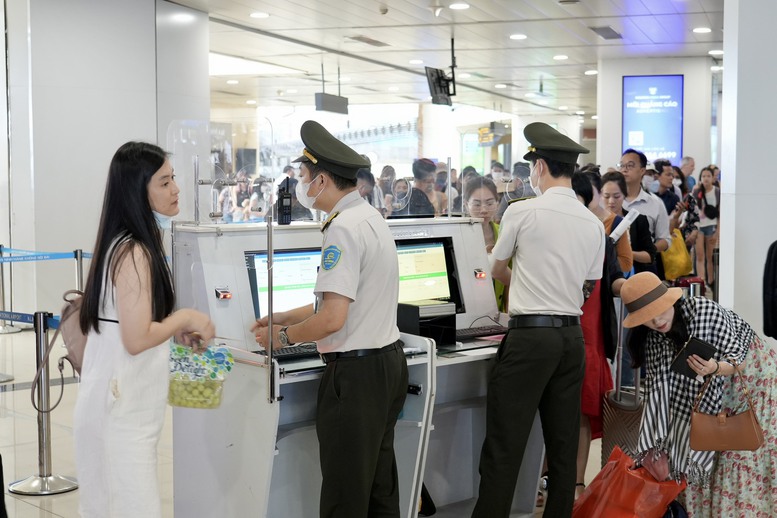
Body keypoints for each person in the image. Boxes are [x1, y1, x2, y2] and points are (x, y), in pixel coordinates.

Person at [252, 120, 408, 518]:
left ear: (321, 180)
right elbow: (343, 299)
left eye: (303, 176)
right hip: (387, 365)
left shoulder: (341, 230)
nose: (300, 184)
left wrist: (282, 337)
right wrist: (285, 314)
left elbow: (332, 319)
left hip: (355, 380)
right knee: (379, 489)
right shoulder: (370, 218)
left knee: (345, 498)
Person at [73, 141, 216, 518]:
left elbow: (136, 325)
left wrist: (169, 329)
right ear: (139, 192)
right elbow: (135, 340)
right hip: (119, 414)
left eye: (174, 180)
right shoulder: (133, 251)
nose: (176, 189)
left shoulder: (127, 244)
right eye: (164, 182)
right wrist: (183, 318)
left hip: (120, 408)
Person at [472, 122, 605, 517]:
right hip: (570, 339)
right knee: (563, 449)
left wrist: (524, 284)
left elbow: (496, 269)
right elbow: (588, 284)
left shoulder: (521, 211)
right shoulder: (592, 223)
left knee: (504, 445)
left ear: (540, 167)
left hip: (530, 339)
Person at [621, 271, 777, 516]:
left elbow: (738, 359)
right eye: (647, 317)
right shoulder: (652, 338)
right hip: (707, 391)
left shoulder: (703, 312)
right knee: (699, 442)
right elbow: (658, 397)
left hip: (751, 382)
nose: (657, 320)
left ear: (670, 300)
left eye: (660, 310)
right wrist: (657, 447)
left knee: (737, 454)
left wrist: (714, 368)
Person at [571, 171, 626, 498]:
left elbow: (616, 278)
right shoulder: (549, 235)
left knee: (580, 410)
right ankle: (542, 476)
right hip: (558, 331)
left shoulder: (601, 239)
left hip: (590, 335)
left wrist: (640, 291)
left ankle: (577, 482)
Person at [463, 176, 507, 312]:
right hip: (468, 309)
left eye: (489, 203)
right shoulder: (459, 235)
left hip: (499, 312)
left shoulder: (504, 234)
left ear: (498, 203)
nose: (483, 210)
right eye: (476, 204)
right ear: (466, 204)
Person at [693, 166, 720, 289]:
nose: (706, 178)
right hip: (699, 226)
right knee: (700, 255)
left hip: (711, 226)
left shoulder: (717, 192)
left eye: (708, 176)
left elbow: (720, 213)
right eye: (703, 176)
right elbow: (693, 211)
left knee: (710, 256)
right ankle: (701, 281)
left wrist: (717, 232)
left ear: (713, 178)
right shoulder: (696, 191)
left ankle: (711, 281)